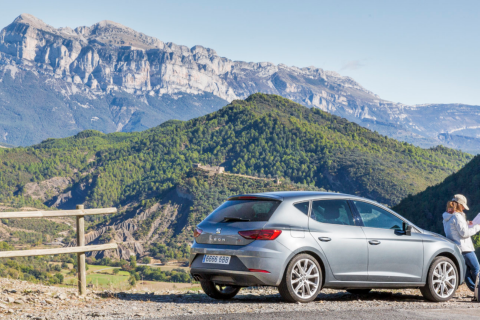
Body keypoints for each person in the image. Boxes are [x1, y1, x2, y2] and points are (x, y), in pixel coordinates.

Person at [443, 194, 480, 292]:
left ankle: (475, 291)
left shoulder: (447, 216)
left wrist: (467, 223)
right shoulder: (457, 216)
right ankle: (479, 291)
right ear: (460, 205)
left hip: (456, 247)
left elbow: (454, 228)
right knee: (476, 268)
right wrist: (477, 227)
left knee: (466, 272)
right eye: (463, 206)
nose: (464, 208)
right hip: (465, 247)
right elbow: (464, 233)